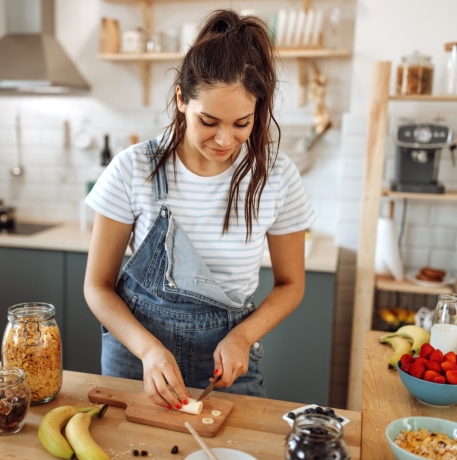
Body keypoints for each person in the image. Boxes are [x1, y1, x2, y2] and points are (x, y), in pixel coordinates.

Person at [84, 8, 315, 410]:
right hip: (136, 361)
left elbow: (291, 284)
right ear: (181, 99)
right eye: (209, 121)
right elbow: (97, 287)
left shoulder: (276, 175)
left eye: (242, 123)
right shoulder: (133, 167)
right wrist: (149, 350)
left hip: (227, 365)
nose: (225, 139)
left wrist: (243, 336)